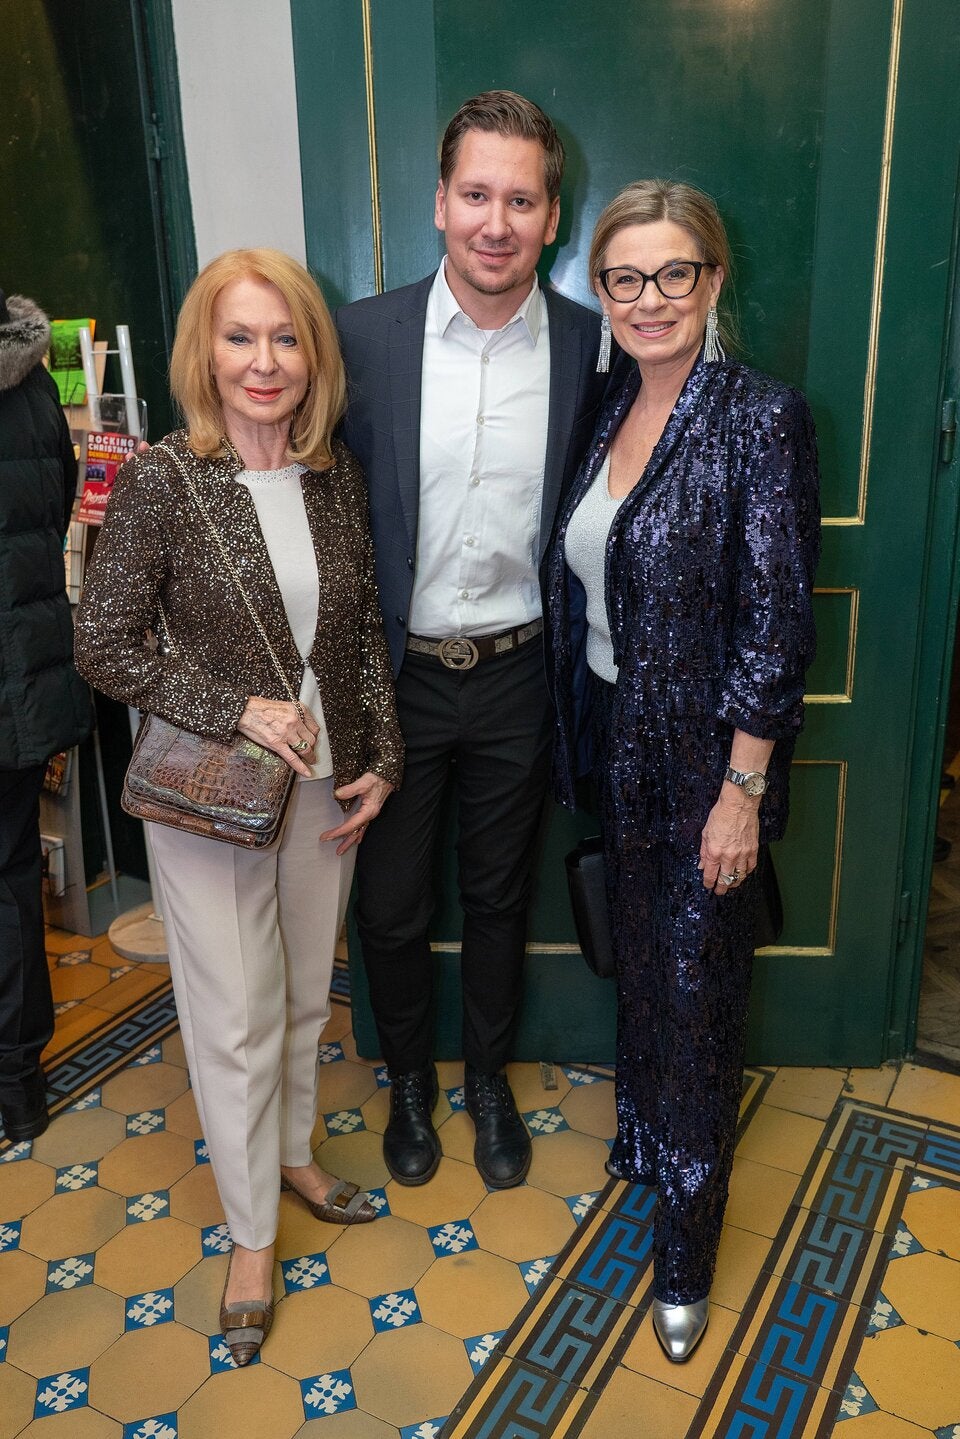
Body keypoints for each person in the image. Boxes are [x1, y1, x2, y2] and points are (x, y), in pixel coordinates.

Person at [74, 249, 403, 1365]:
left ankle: (294, 1153)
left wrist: (381, 756)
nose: (265, 361)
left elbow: (358, 635)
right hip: (210, 797)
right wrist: (237, 708)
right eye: (239, 337)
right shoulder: (167, 478)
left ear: (314, 356)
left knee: (303, 997)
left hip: (323, 783)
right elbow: (104, 644)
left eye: (285, 338)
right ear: (204, 355)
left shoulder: (333, 475)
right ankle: (252, 1234)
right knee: (234, 1017)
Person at [548, 181, 820, 1361]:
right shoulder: (606, 403)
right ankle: (647, 1138)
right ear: (602, 290)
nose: (649, 298)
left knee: (701, 998)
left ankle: (686, 1252)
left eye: (673, 273)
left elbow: (777, 626)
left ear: (713, 279)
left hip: (711, 758)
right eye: (626, 277)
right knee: (643, 970)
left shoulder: (760, 418)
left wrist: (741, 791)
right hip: (616, 733)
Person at [336, 91, 619, 1190]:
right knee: (392, 903)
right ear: (440, 204)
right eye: (475, 195)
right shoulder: (363, 336)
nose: (496, 223)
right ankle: (410, 1080)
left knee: (501, 895)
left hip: (518, 676)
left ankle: (488, 1079)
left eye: (521, 200)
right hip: (395, 678)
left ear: (553, 216)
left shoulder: (593, 347)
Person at [0, 290, 92, 1143]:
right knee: (12, 872)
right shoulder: (30, 383)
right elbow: (57, 505)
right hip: (22, 680)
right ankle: (19, 1082)